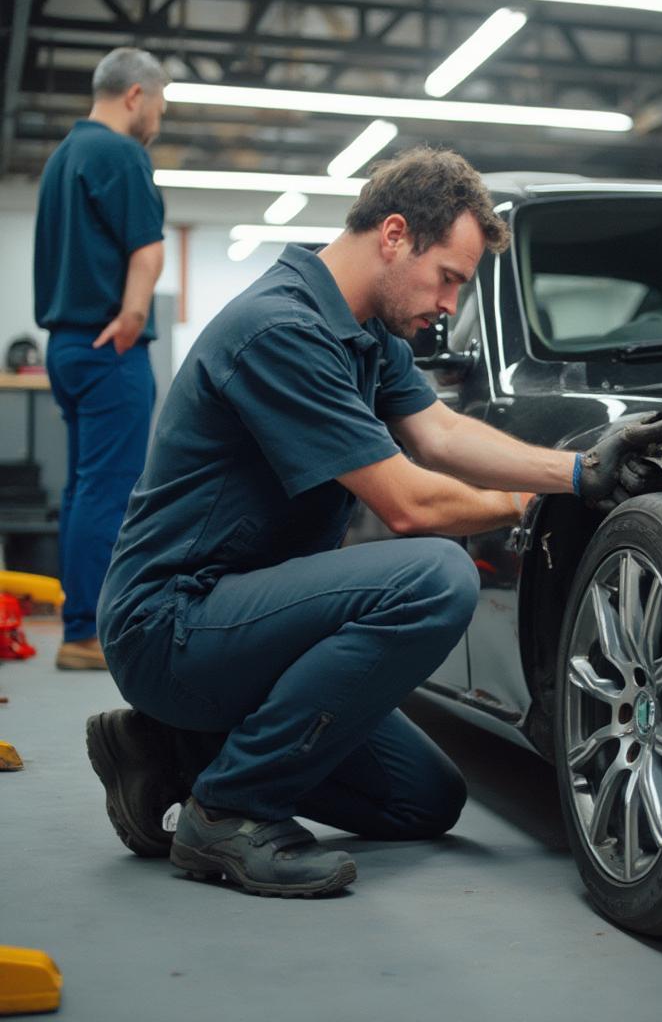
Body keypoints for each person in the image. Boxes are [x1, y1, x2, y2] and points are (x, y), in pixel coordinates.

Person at [85, 148, 629, 898]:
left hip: (245, 623)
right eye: (448, 279)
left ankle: (169, 749)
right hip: (171, 624)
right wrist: (530, 506)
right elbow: (410, 503)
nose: (448, 305)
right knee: (435, 576)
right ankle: (228, 812)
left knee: (423, 801)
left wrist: (578, 471)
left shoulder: (367, 335)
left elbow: (440, 435)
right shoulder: (280, 328)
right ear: (395, 235)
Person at [34, 48, 168, 671]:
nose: (159, 118)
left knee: (84, 489)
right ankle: (88, 634)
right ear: (136, 94)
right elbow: (146, 251)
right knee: (111, 491)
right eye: (161, 104)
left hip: (65, 346)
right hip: (108, 344)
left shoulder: (64, 157)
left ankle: (79, 623)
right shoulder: (119, 152)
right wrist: (134, 316)